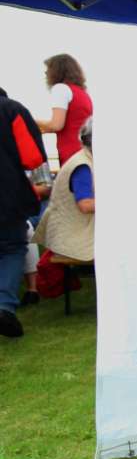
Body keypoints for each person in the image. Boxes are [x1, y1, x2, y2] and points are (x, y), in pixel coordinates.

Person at [0, 86, 47, 338]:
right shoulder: (12, 110)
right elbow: (32, 158)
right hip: (7, 194)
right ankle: (4, 306)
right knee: (11, 248)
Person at [36, 117, 95, 270]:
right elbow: (85, 205)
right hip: (72, 237)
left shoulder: (85, 160)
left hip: (72, 233)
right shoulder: (82, 165)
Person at [35, 53, 92, 165]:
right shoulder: (83, 94)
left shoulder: (60, 89)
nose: (46, 73)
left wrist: (30, 120)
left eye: (48, 69)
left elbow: (56, 125)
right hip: (85, 153)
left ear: (57, 70)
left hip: (71, 155)